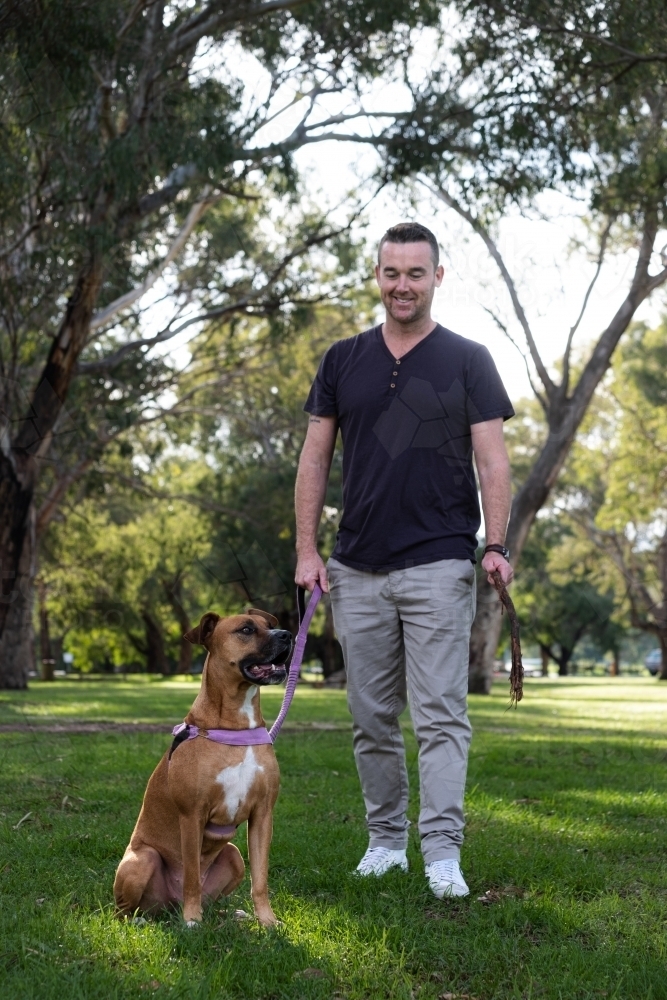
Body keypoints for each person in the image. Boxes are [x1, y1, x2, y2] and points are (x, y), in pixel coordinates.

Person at [294, 222, 514, 899]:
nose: (402, 285)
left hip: (439, 562)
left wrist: (496, 543)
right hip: (355, 565)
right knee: (369, 716)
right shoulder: (342, 360)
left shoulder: (467, 359)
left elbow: (491, 459)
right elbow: (314, 456)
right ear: (377, 275)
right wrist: (306, 549)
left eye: (415, 273)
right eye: (391, 272)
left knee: (442, 712)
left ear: (437, 277)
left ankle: (442, 852)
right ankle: (385, 842)